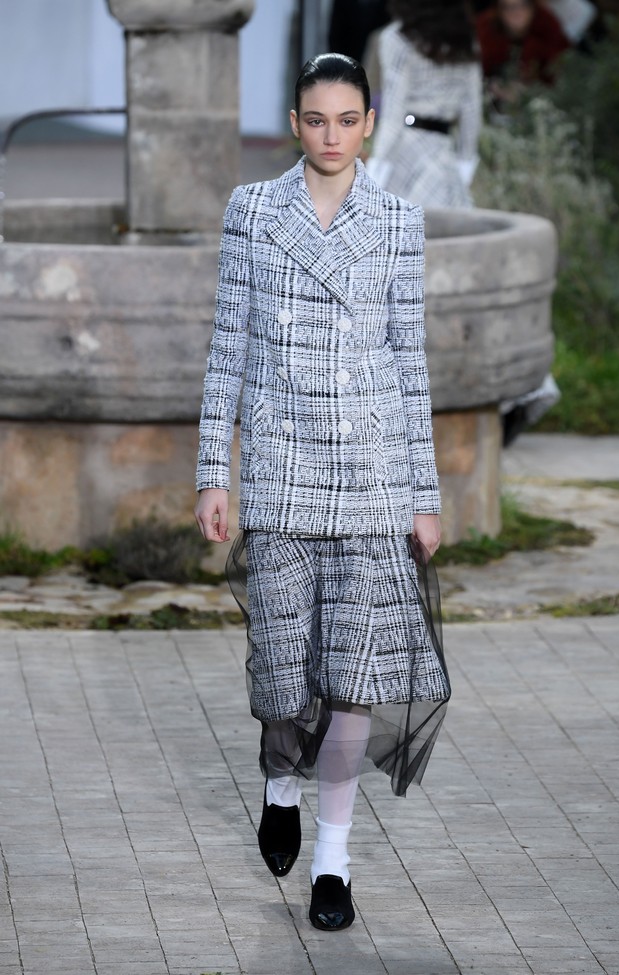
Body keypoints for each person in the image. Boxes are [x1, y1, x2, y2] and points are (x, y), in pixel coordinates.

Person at [194, 53, 450, 932]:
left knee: (352, 680)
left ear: (369, 122)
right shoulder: (254, 212)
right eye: (316, 120)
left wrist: (425, 491)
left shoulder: (398, 222)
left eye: (348, 120)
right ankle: (278, 783)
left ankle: (334, 864)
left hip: (373, 479)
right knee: (280, 675)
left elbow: (410, 364)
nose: (332, 136)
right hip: (281, 471)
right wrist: (213, 473)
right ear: (295, 122)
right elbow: (227, 348)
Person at [367, 0, 482, 208]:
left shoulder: (396, 38)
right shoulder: (464, 40)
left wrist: (375, 172)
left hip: (406, 152)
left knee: (399, 234)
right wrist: (465, 167)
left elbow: (393, 112)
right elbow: (471, 112)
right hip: (445, 154)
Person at [476, 0, 570, 95]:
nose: (516, 12)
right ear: (498, 10)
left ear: (533, 7)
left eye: (523, 5)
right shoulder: (486, 28)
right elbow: (482, 68)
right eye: (507, 7)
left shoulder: (548, 26)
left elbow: (561, 67)